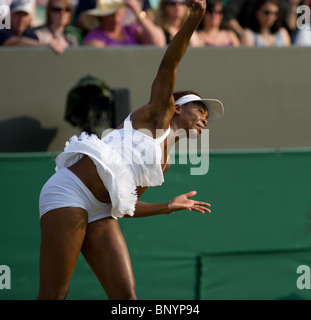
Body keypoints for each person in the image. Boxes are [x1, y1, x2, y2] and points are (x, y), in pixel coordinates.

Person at [37, 0, 224, 300]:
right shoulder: (156, 115)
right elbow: (169, 63)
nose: (204, 117)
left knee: (126, 299)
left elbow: (127, 205)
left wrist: (168, 206)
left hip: (101, 211)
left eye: (207, 115)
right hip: (69, 193)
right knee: (55, 294)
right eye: (200, 109)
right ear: (176, 108)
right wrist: (194, 19)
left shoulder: (164, 164)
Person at [82, 0, 166, 47]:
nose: (117, 12)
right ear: (102, 15)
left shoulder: (132, 31)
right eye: (112, 10)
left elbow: (159, 42)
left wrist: (137, 11)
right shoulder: (93, 37)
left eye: (119, 7)